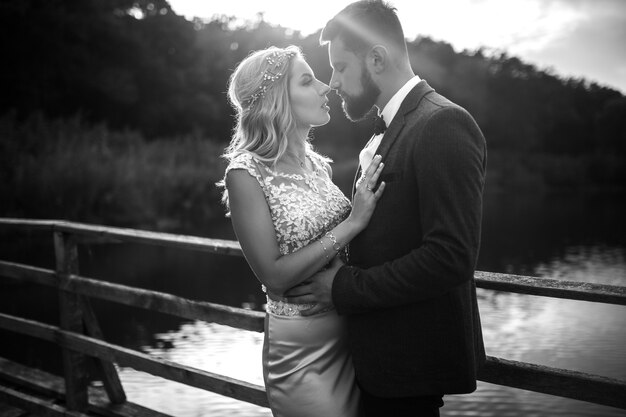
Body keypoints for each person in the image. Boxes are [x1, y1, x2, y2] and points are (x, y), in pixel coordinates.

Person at [284, 1, 488, 416]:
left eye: (340, 67)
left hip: (407, 370)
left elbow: (451, 257)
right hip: (370, 365)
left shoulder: (443, 124)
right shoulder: (389, 128)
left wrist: (341, 287)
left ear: (376, 58)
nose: (334, 82)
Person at [218, 45, 386, 417]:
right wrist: (353, 222)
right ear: (278, 98)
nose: (326, 87)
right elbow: (273, 276)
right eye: (308, 80)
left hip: (352, 333)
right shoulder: (245, 174)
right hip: (302, 352)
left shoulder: (317, 165)